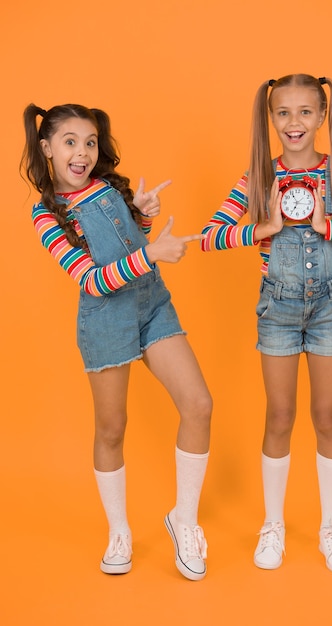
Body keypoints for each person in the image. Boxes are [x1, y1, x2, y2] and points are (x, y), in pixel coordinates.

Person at [201, 74, 332, 573]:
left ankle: (330, 528)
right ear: (270, 119)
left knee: (328, 417)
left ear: (322, 117)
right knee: (279, 416)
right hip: (279, 310)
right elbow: (208, 237)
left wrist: (329, 226)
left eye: (305, 112)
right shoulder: (258, 177)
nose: (294, 123)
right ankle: (273, 526)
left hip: (331, 309)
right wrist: (263, 229)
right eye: (283, 113)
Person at [21, 103, 212, 581]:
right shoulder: (46, 214)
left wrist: (144, 219)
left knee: (199, 404)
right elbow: (92, 280)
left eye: (89, 142)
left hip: (152, 306)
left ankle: (183, 520)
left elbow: (132, 246)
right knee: (111, 429)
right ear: (47, 149)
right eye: (70, 142)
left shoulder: (107, 187)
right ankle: (119, 531)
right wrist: (152, 251)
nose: (82, 152)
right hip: (106, 320)